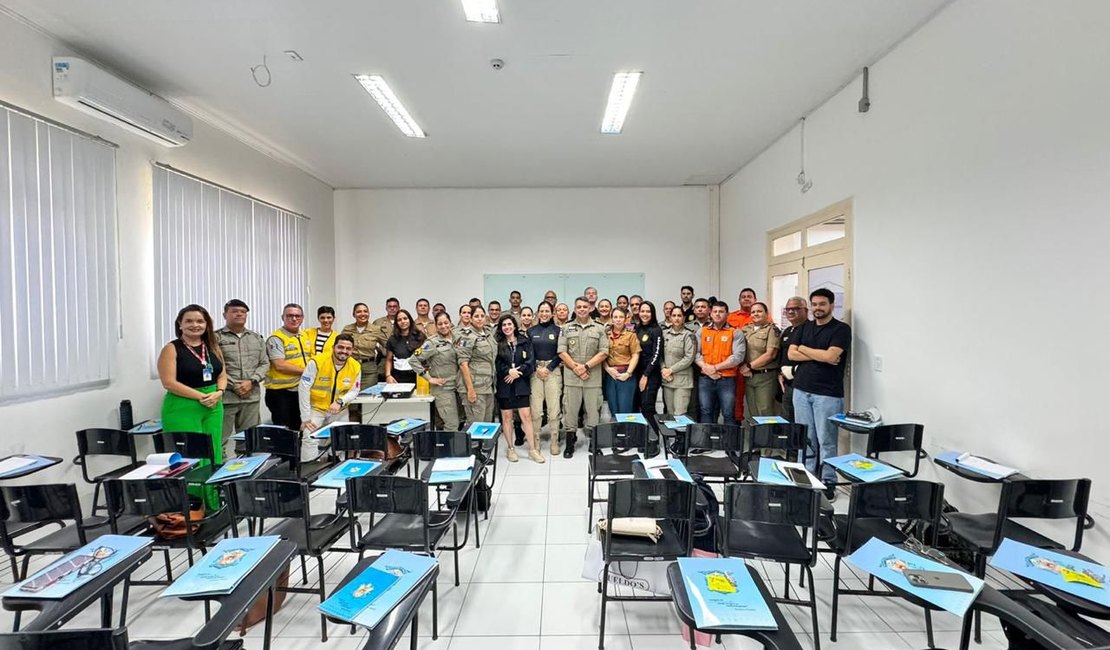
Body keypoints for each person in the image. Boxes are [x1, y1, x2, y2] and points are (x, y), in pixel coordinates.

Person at [158, 304, 227, 509]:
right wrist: (201, 396)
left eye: (200, 321)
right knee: (191, 457)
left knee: (213, 452)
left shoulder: (212, 346)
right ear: (180, 324)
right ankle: (192, 507)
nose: (195, 325)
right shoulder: (171, 348)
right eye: (189, 321)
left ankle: (212, 503)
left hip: (214, 404)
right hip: (183, 406)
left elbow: (222, 374)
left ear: (207, 325)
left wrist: (219, 392)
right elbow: (169, 383)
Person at [789, 288, 851, 498]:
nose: (817, 308)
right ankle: (805, 477)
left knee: (826, 440)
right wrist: (819, 354)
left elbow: (831, 357)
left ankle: (828, 483)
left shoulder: (841, 329)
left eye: (822, 304)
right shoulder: (804, 327)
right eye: (814, 304)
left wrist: (804, 349)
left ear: (832, 305)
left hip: (828, 394)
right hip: (801, 390)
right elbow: (791, 353)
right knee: (805, 438)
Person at [215, 299, 269, 458]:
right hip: (226, 398)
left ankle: (245, 475)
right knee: (219, 440)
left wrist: (251, 382)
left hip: (251, 398)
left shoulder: (256, 338)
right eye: (234, 311)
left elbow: (264, 363)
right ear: (225, 314)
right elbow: (216, 366)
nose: (239, 314)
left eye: (243, 312)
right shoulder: (216, 338)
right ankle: (221, 476)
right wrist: (236, 385)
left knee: (249, 441)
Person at [557, 297, 609, 458]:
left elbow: (604, 351)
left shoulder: (599, 328)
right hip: (572, 377)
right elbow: (561, 351)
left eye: (585, 307)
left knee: (594, 410)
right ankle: (570, 442)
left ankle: (594, 443)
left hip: (592, 377)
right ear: (575, 308)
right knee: (571, 410)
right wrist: (576, 367)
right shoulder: (565, 328)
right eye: (578, 306)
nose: (581, 309)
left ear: (590, 308)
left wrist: (585, 367)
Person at [298, 333, 361, 460]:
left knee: (341, 439)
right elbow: (303, 388)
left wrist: (340, 401)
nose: (344, 351)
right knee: (309, 436)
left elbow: (355, 390)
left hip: (339, 411)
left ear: (352, 350)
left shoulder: (355, 366)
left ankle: (335, 463)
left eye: (348, 348)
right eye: (340, 347)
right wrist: (305, 417)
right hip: (316, 409)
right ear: (333, 347)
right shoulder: (317, 362)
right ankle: (308, 469)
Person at [494, 314, 541, 463]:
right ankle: (510, 449)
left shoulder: (524, 341)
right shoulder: (497, 343)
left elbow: (531, 362)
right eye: (504, 325)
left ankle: (532, 450)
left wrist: (517, 372)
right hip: (505, 384)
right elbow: (497, 363)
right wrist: (508, 371)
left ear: (514, 325)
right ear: (501, 328)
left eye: (509, 324)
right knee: (507, 418)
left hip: (521, 383)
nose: (507, 327)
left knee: (526, 416)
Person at [695, 301, 745, 425]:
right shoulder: (702, 331)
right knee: (705, 411)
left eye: (721, 312)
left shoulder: (735, 332)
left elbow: (738, 357)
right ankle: (706, 443)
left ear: (727, 314)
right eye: (715, 311)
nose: (717, 314)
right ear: (710, 314)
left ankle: (729, 443)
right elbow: (695, 353)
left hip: (726, 380)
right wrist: (706, 368)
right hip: (705, 379)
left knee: (728, 413)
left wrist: (715, 368)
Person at [264, 303, 312, 431]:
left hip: (300, 391)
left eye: (297, 316)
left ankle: (298, 452)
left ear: (302, 318)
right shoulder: (276, 338)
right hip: (281, 393)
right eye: (290, 316)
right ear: (283, 317)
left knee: (299, 428)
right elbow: (280, 365)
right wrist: (308, 372)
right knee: (284, 432)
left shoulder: (304, 336)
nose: (294, 319)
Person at [411, 312, 461, 432]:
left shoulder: (457, 338)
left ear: (450, 323)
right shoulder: (432, 343)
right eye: (440, 324)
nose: (443, 326)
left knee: (461, 422)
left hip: (459, 387)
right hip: (443, 389)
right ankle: (447, 450)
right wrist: (429, 378)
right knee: (452, 424)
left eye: (446, 323)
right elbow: (413, 360)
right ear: (436, 326)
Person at [528, 301, 563, 455]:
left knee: (554, 410)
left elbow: (561, 352)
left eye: (547, 311)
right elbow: (528, 353)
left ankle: (554, 441)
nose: (544, 313)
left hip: (553, 370)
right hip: (535, 371)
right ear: (538, 312)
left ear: (552, 313)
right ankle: (535, 441)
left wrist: (548, 368)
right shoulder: (531, 331)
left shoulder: (558, 330)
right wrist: (537, 368)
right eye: (541, 311)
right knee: (535, 410)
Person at [457, 306, 496, 426]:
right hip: (474, 386)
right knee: (476, 425)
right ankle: (475, 445)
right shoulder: (467, 336)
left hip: (488, 386)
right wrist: (470, 390)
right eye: (476, 316)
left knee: (487, 424)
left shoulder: (488, 334)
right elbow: (463, 364)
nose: (479, 319)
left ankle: (483, 445)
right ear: (471, 319)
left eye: (482, 316)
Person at [740, 302, 781, 417]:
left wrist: (749, 366)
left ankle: (767, 435)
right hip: (749, 377)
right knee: (753, 412)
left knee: (765, 411)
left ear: (766, 313)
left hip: (765, 377)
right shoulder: (746, 329)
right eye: (753, 312)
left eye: (759, 311)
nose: (755, 314)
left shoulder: (772, 330)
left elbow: (770, 354)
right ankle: (757, 435)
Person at [341, 303, 389, 389]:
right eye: (359, 312)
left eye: (365, 311)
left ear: (369, 313)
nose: (363, 314)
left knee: (368, 397)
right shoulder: (347, 329)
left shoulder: (376, 329)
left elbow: (389, 346)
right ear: (354, 314)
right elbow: (340, 347)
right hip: (350, 367)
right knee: (349, 396)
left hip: (369, 370)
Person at [728, 287, 758, 421]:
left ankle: (758, 429)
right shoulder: (731, 317)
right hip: (735, 363)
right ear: (739, 300)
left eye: (749, 296)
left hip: (755, 362)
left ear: (755, 300)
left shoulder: (762, 316)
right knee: (736, 395)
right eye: (743, 296)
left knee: (757, 400)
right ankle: (737, 422)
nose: (746, 298)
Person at [603, 308, 640, 416]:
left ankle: (626, 432)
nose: (618, 320)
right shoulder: (605, 335)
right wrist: (607, 369)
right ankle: (615, 433)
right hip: (610, 374)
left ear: (625, 319)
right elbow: (602, 354)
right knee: (613, 409)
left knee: (625, 410)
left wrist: (628, 373)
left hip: (625, 374)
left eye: (621, 317)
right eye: (615, 317)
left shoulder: (631, 335)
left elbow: (635, 354)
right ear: (611, 319)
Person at [660, 305, 697, 415]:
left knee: (680, 414)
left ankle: (681, 433)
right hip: (667, 380)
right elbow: (659, 354)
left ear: (684, 318)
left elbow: (689, 358)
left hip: (682, 381)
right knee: (670, 413)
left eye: (679, 316)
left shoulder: (689, 335)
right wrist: (663, 369)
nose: (676, 318)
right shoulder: (664, 334)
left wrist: (670, 370)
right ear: (670, 318)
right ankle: (672, 433)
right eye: (674, 315)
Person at [777, 297, 809, 422]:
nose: (790, 312)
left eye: (796, 309)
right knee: (787, 419)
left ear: (806, 311)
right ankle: (789, 442)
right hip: (788, 383)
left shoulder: (810, 330)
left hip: (804, 384)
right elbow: (782, 355)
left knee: (802, 422)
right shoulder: (787, 331)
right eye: (788, 309)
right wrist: (780, 373)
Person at [634, 301, 663, 419]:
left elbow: (657, 354)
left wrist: (645, 375)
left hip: (651, 374)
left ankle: (655, 436)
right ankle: (640, 436)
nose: (645, 314)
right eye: (642, 311)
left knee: (647, 408)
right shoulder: (637, 328)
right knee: (637, 406)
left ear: (653, 313)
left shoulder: (656, 330)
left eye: (648, 311)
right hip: (636, 373)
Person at [684, 297, 712, 422]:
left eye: (703, 307)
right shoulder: (687, 326)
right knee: (692, 403)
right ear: (693, 310)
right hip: (692, 369)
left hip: (711, 369)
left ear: (709, 310)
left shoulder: (714, 326)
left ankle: (709, 432)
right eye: (697, 307)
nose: (700, 309)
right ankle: (694, 434)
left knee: (709, 405)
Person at [385, 309, 427, 385]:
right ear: (396, 323)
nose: (403, 321)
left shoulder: (420, 336)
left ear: (410, 320)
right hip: (399, 377)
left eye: (405, 318)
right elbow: (389, 359)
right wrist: (388, 375)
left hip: (419, 376)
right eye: (399, 320)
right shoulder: (392, 339)